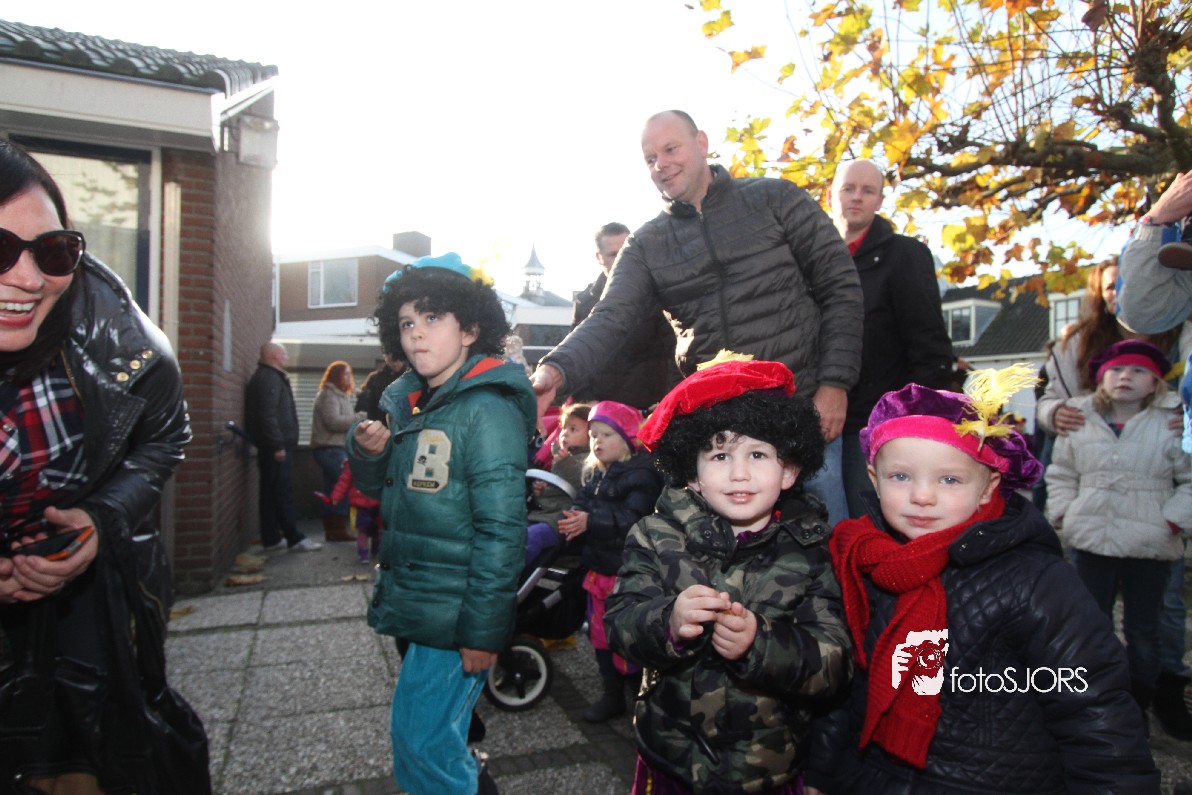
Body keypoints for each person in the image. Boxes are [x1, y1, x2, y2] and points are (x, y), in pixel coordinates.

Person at [806, 367, 1159, 793]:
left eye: (949, 479)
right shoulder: (860, 562)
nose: (922, 496)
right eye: (900, 476)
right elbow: (843, 693)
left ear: (989, 486)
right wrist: (821, 775)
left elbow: (1095, 712)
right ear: (873, 478)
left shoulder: (1036, 580)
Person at [530, 110, 863, 527]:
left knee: (829, 536)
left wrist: (835, 385)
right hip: (718, 425)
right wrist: (555, 370)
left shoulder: (777, 199)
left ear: (702, 143)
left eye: (671, 149)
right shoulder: (646, 244)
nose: (661, 164)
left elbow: (840, 288)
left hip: (803, 409)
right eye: (650, 158)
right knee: (727, 549)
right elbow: (611, 316)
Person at [0, 140, 210, 792]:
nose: (29, 279)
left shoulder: (123, 341)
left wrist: (102, 517)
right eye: (0, 249)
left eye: (53, 251)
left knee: (91, 761)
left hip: (87, 603)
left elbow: (165, 436)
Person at [604, 355, 852, 794]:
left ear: (789, 470)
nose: (740, 473)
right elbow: (620, 626)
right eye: (720, 455)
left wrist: (760, 643)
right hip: (672, 759)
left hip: (767, 766)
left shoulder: (810, 549)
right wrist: (669, 622)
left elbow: (834, 664)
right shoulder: (655, 536)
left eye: (757, 454)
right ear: (693, 475)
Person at [348, 253, 534, 795]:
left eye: (432, 318)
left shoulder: (486, 411)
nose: (416, 334)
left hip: (456, 617)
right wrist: (370, 453)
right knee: (429, 742)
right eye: (406, 322)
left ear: (471, 329)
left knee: (423, 744)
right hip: (425, 607)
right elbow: (386, 491)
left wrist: (482, 632)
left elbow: (502, 531)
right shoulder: (417, 405)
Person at [1045, 340, 1192, 727]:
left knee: (1143, 630)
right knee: (1090, 624)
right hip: (1091, 538)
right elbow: (1062, 472)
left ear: (1155, 382)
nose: (1125, 376)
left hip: (1150, 541)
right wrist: (1064, 510)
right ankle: (1096, 697)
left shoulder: (1175, 422)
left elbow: (1189, 479)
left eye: (1138, 370)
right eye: (1115, 369)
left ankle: (1138, 700)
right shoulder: (1079, 418)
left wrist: (1173, 520)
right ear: (1100, 378)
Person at [829, 159, 953, 518]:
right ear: (831, 195)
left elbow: (929, 343)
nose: (856, 197)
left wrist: (913, 419)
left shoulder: (905, 256)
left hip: (877, 424)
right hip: (821, 421)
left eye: (868, 190)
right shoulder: (812, 259)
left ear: (881, 200)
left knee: (869, 525)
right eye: (848, 188)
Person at [558, 400, 664, 722]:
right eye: (593, 435)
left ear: (628, 437)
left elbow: (634, 518)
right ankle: (612, 694)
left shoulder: (641, 474)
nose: (597, 442)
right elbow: (583, 499)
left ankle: (639, 698)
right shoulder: (597, 472)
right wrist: (576, 514)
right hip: (599, 569)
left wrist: (591, 521)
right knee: (601, 636)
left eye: (606, 434)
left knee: (627, 637)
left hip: (625, 573)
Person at [569, 222, 678, 409]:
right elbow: (576, 356)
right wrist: (585, 399)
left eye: (625, 252)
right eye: (613, 254)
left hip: (648, 408)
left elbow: (675, 352)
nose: (621, 259)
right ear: (599, 257)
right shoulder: (585, 303)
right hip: (600, 410)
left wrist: (668, 400)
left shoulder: (659, 296)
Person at [244, 342, 322, 553]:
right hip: (276, 447)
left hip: (271, 446)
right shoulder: (269, 378)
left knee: (270, 492)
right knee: (282, 492)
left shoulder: (268, 377)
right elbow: (267, 414)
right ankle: (294, 538)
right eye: (284, 354)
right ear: (275, 356)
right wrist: (277, 444)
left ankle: (271, 538)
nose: (287, 357)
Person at [525, 402, 591, 565]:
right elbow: (558, 489)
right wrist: (542, 490)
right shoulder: (561, 456)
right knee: (512, 531)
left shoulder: (588, 461)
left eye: (573, 429)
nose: (565, 434)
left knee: (533, 537)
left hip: (561, 521)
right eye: (563, 428)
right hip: (543, 514)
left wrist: (563, 464)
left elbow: (579, 480)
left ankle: (508, 570)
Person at [311, 360, 361, 542]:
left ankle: (333, 530)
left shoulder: (340, 395)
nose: (348, 377)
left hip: (333, 448)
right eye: (345, 374)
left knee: (333, 489)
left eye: (349, 374)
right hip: (330, 449)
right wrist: (358, 418)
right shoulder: (330, 395)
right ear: (336, 375)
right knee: (344, 486)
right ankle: (337, 529)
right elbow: (333, 422)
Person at [315, 460, 381, 563]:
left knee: (377, 530)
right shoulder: (354, 462)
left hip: (377, 502)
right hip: (363, 503)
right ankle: (364, 552)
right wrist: (336, 497)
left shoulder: (381, 460)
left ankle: (375, 550)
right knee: (363, 530)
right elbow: (344, 482)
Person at [355, 352, 403, 422]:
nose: (395, 364)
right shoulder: (377, 379)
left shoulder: (377, 379)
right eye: (392, 360)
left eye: (398, 360)